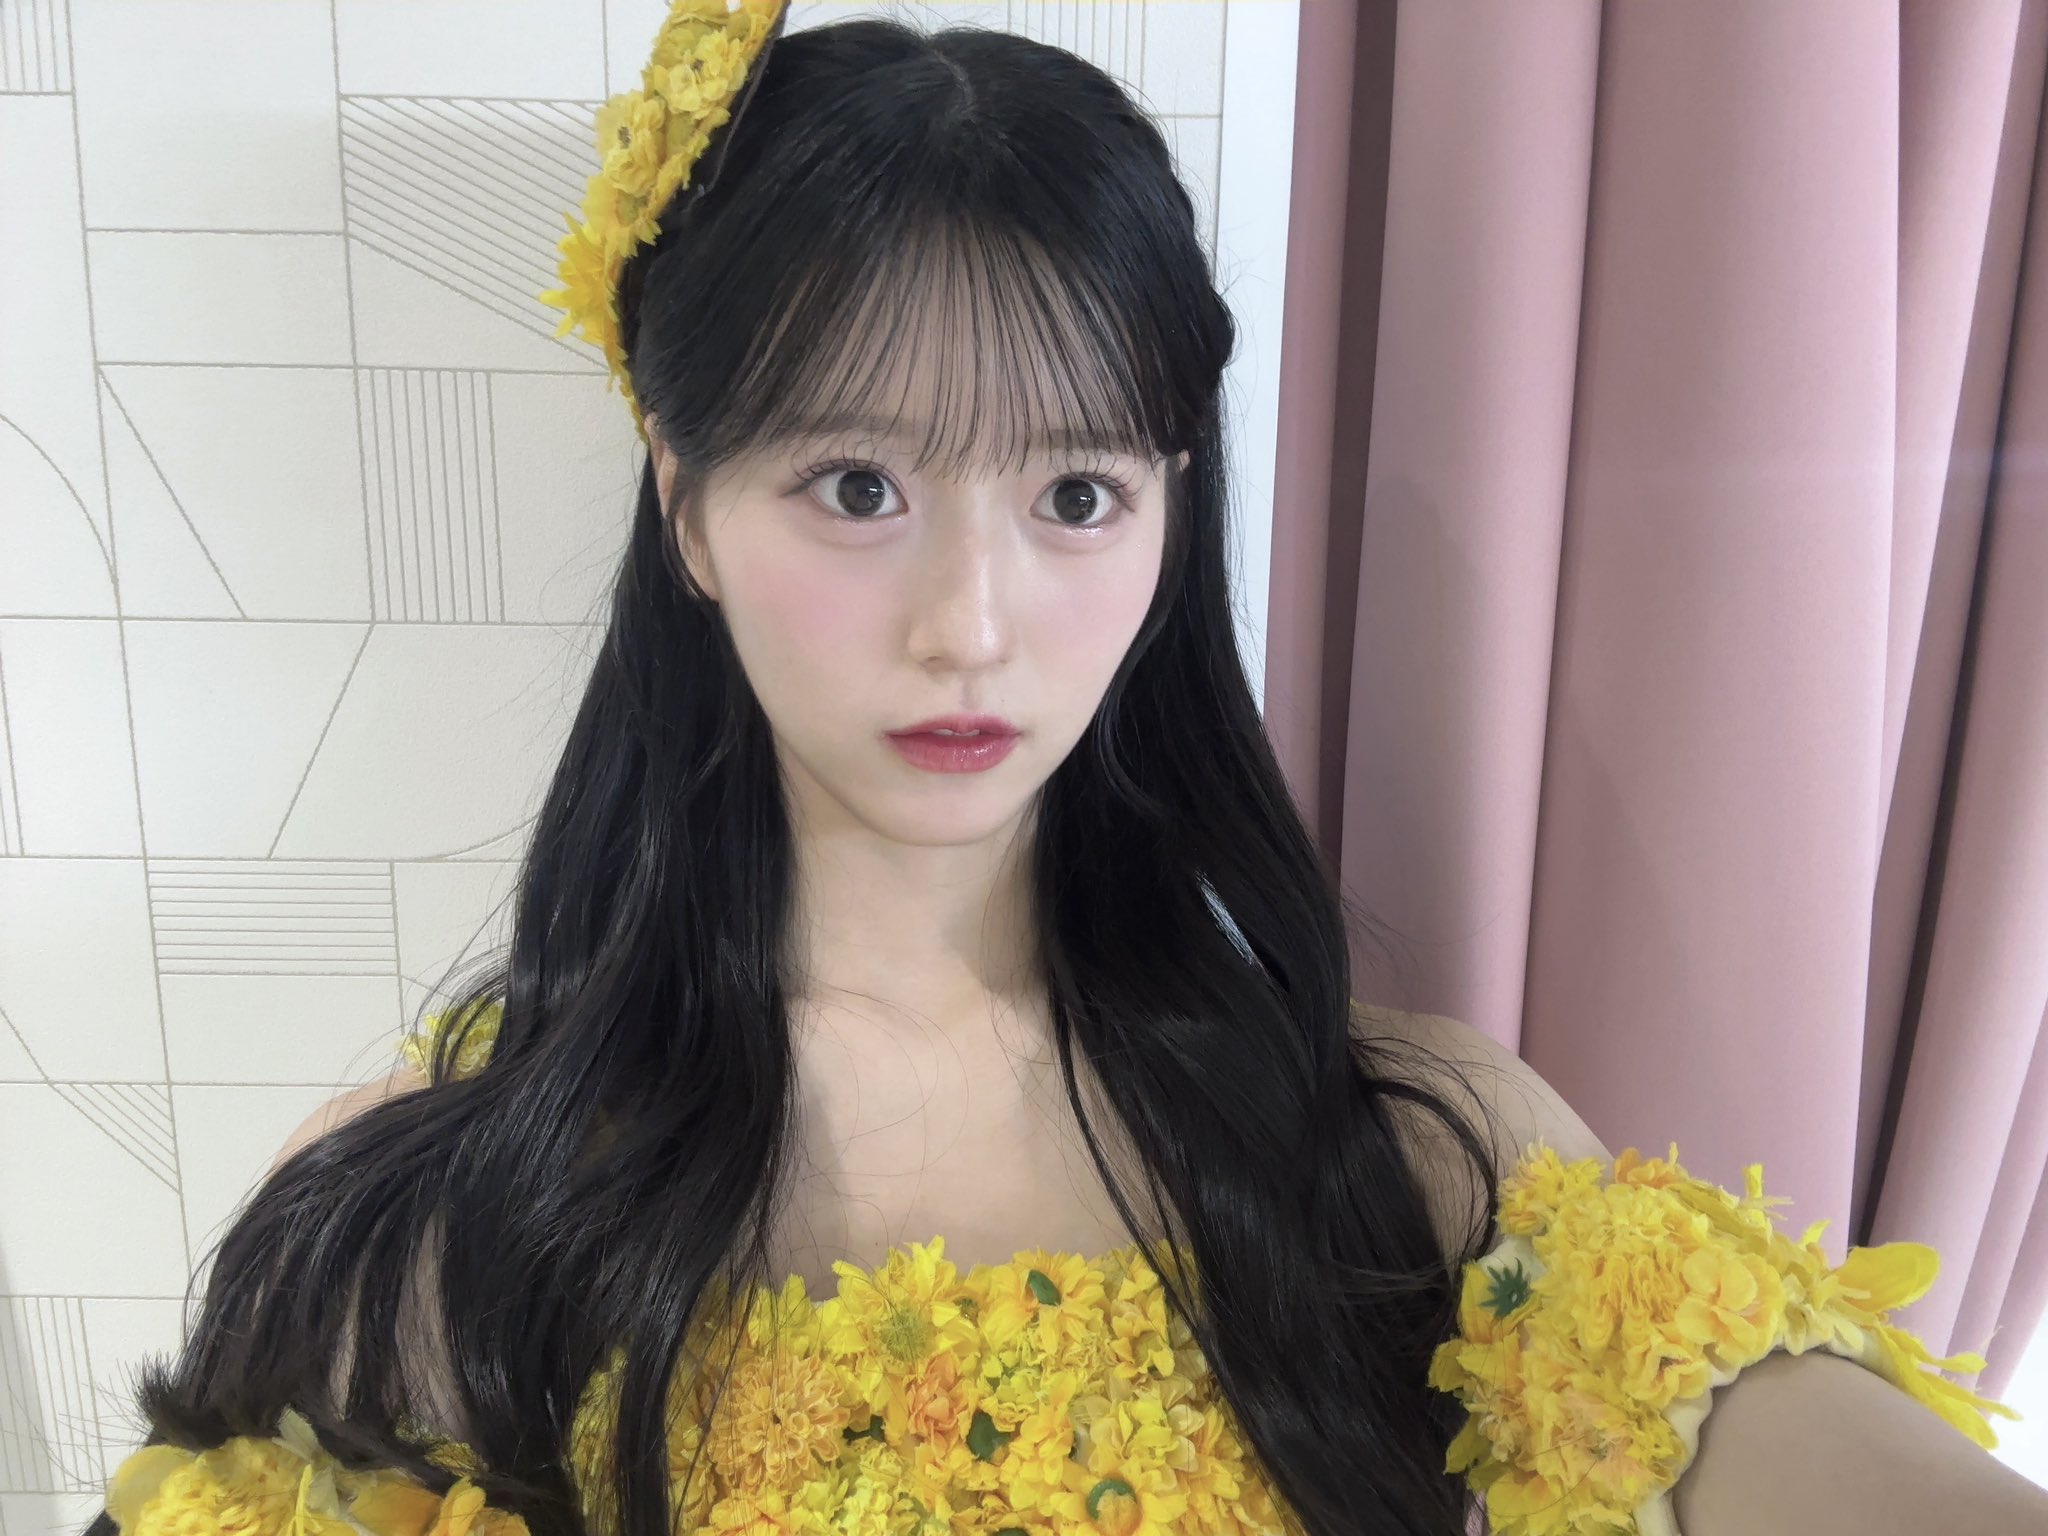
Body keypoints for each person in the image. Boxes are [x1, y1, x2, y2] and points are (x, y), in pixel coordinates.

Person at [89, 5, 2043, 1536]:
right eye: (858, 485)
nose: (971, 623)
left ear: (1170, 511)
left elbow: (1765, 1428)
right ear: (684, 505)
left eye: (1077, 493)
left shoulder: (1412, 1155)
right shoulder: (449, 1214)